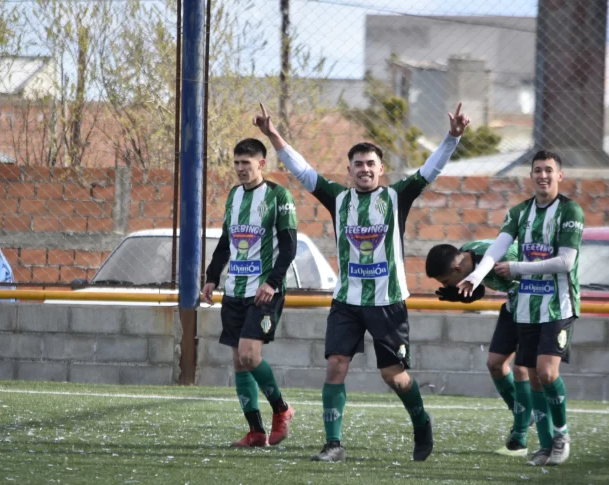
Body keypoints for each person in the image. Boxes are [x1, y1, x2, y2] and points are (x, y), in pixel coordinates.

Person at [255, 102, 469, 462]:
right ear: (349, 170)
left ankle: (421, 421)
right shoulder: (337, 198)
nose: (365, 169)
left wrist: (452, 137)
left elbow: (429, 171)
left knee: (394, 377)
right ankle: (333, 443)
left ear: (381, 169)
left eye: (371, 164)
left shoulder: (396, 196)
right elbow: (302, 169)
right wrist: (273, 135)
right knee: (336, 364)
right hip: (347, 302)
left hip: (388, 303)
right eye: (358, 164)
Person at [457, 150, 584, 467]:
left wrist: (517, 268)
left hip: (559, 305)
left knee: (546, 371)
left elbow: (566, 262)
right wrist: (475, 275)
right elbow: (497, 246)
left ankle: (562, 435)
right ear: (531, 176)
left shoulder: (571, 211)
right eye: (537, 170)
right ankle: (543, 446)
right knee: (534, 377)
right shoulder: (519, 212)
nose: (543, 175)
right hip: (527, 307)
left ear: (560, 175)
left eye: (549, 170)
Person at [202, 138, 298, 448]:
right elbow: (226, 241)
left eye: (247, 163)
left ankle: (282, 410)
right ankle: (256, 431)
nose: (241, 169)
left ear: (261, 164)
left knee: (249, 354)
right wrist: (211, 278)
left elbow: (289, 246)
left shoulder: (278, 196)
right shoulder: (233, 196)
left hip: (263, 291)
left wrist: (272, 282)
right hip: (234, 290)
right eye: (237, 163)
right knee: (238, 361)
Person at [424, 240, 533, 457]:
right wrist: (470, 294)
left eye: (446, 281)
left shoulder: (498, 258)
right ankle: (524, 414)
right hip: (514, 304)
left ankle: (519, 439)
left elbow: (532, 275)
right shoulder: (465, 255)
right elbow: (483, 284)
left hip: (534, 306)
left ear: (457, 269)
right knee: (495, 364)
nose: (447, 286)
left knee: (523, 368)